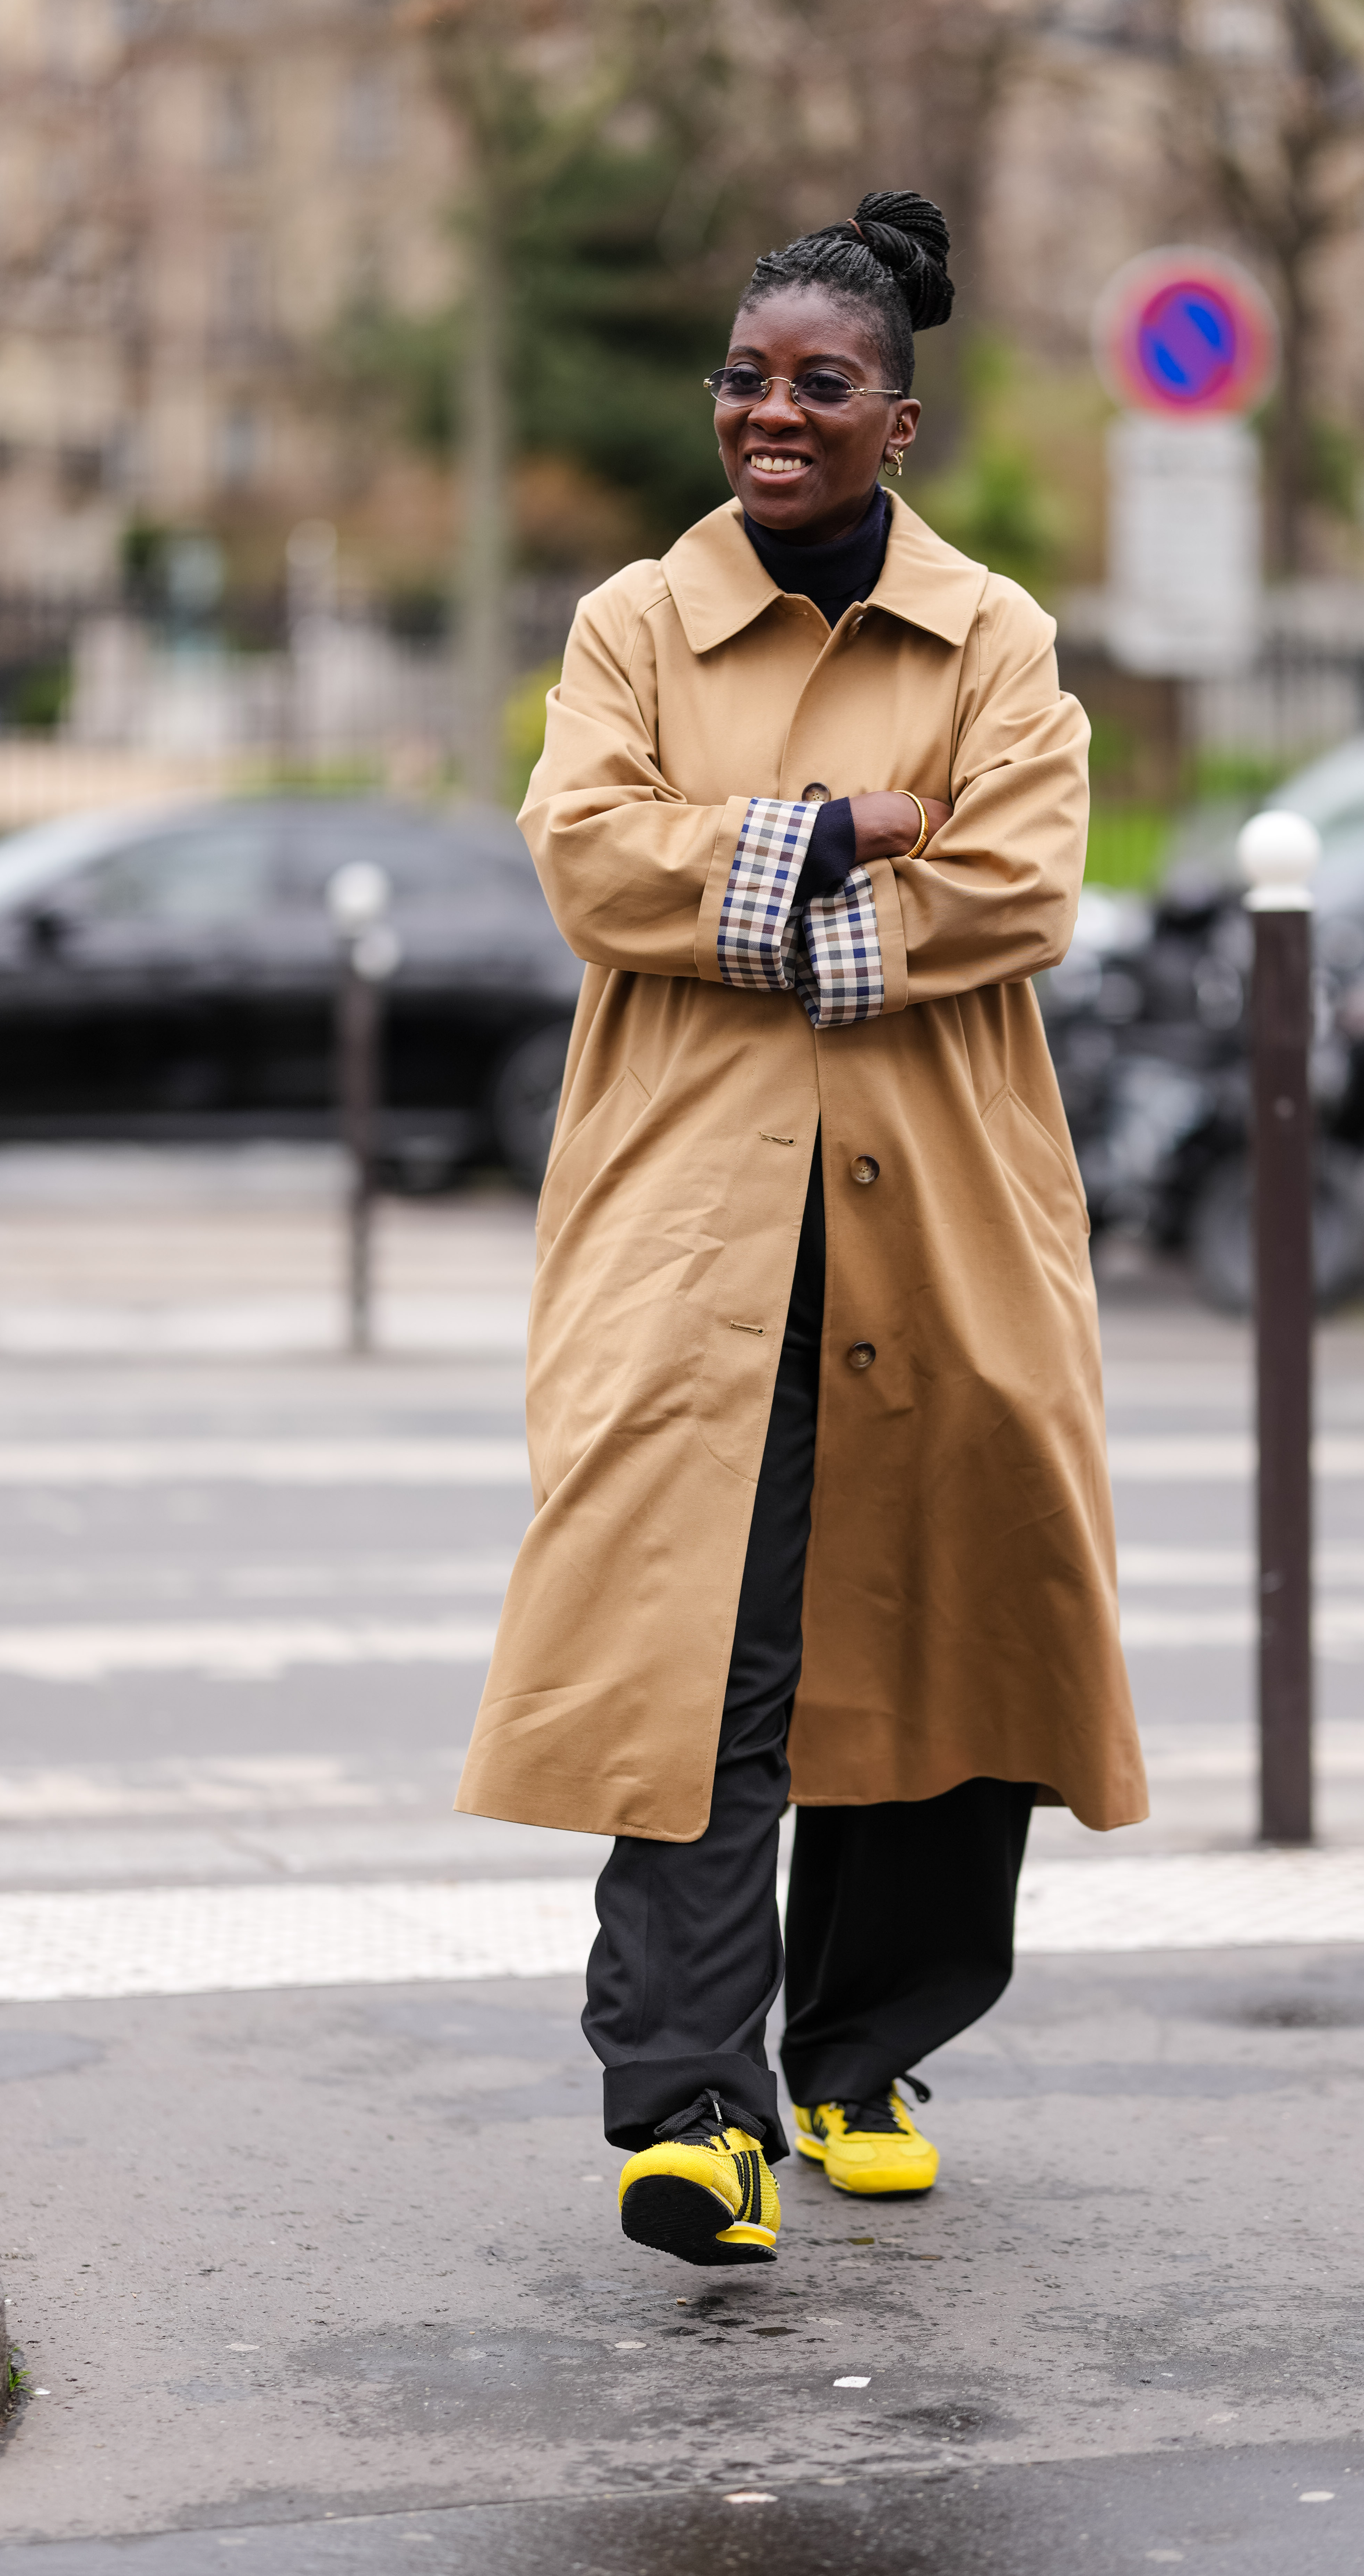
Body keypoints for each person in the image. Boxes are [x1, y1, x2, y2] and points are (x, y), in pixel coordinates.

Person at [456, 190, 1146, 2269]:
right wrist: (837, 835)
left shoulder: (1000, 640)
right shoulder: (630, 629)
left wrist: (737, 892)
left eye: (816, 383)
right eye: (744, 380)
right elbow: (591, 864)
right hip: (689, 1217)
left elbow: (1020, 890)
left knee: (947, 1621)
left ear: (896, 421)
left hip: (941, 1213)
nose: (770, 413)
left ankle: (862, 2059)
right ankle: (688, 2105)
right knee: (694, 1653)